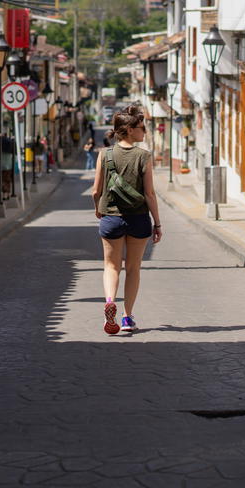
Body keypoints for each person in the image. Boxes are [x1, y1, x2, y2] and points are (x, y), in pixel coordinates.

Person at [91, 105, 162, 335]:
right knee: (133, 269)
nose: (145, 132)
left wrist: (98, 209)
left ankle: (110, 300)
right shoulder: (144, 156)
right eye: (142, 128)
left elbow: (95, 191)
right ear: (130, 130)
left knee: (111, 266)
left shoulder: (105, 154)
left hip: (111, 217)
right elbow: (150, 194)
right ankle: (127, 317)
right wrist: (158, 223)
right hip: (138, 218)